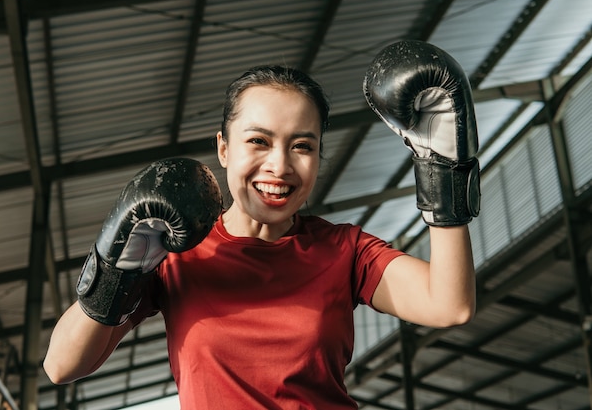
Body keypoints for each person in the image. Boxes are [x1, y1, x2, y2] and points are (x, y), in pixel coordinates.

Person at [44, 40, 479, 409]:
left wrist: (444, 169)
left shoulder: (344, 250)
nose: (280, 165)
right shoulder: (175, 254)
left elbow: (449, 305)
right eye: (258, 141)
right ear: (224, 148)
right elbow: (62, 366)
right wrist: (115, 268)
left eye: (302, 146)